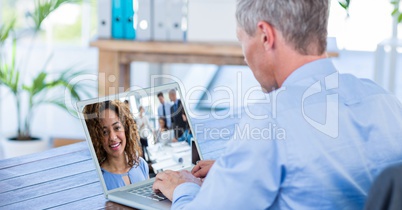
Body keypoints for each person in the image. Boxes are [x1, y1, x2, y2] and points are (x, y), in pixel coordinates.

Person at [152, 0, 402, 209]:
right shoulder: (383, 100)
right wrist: (237, 171)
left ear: (265, 36)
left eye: (242, 40)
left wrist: (182, 187)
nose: (245, 56)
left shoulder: (270, 119)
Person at [83, 100, 149, 191]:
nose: (113, 137)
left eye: (117, 128)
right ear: (97, 138)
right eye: (104, 132)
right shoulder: (98, 179)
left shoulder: (141, 164)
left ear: (126, 128)